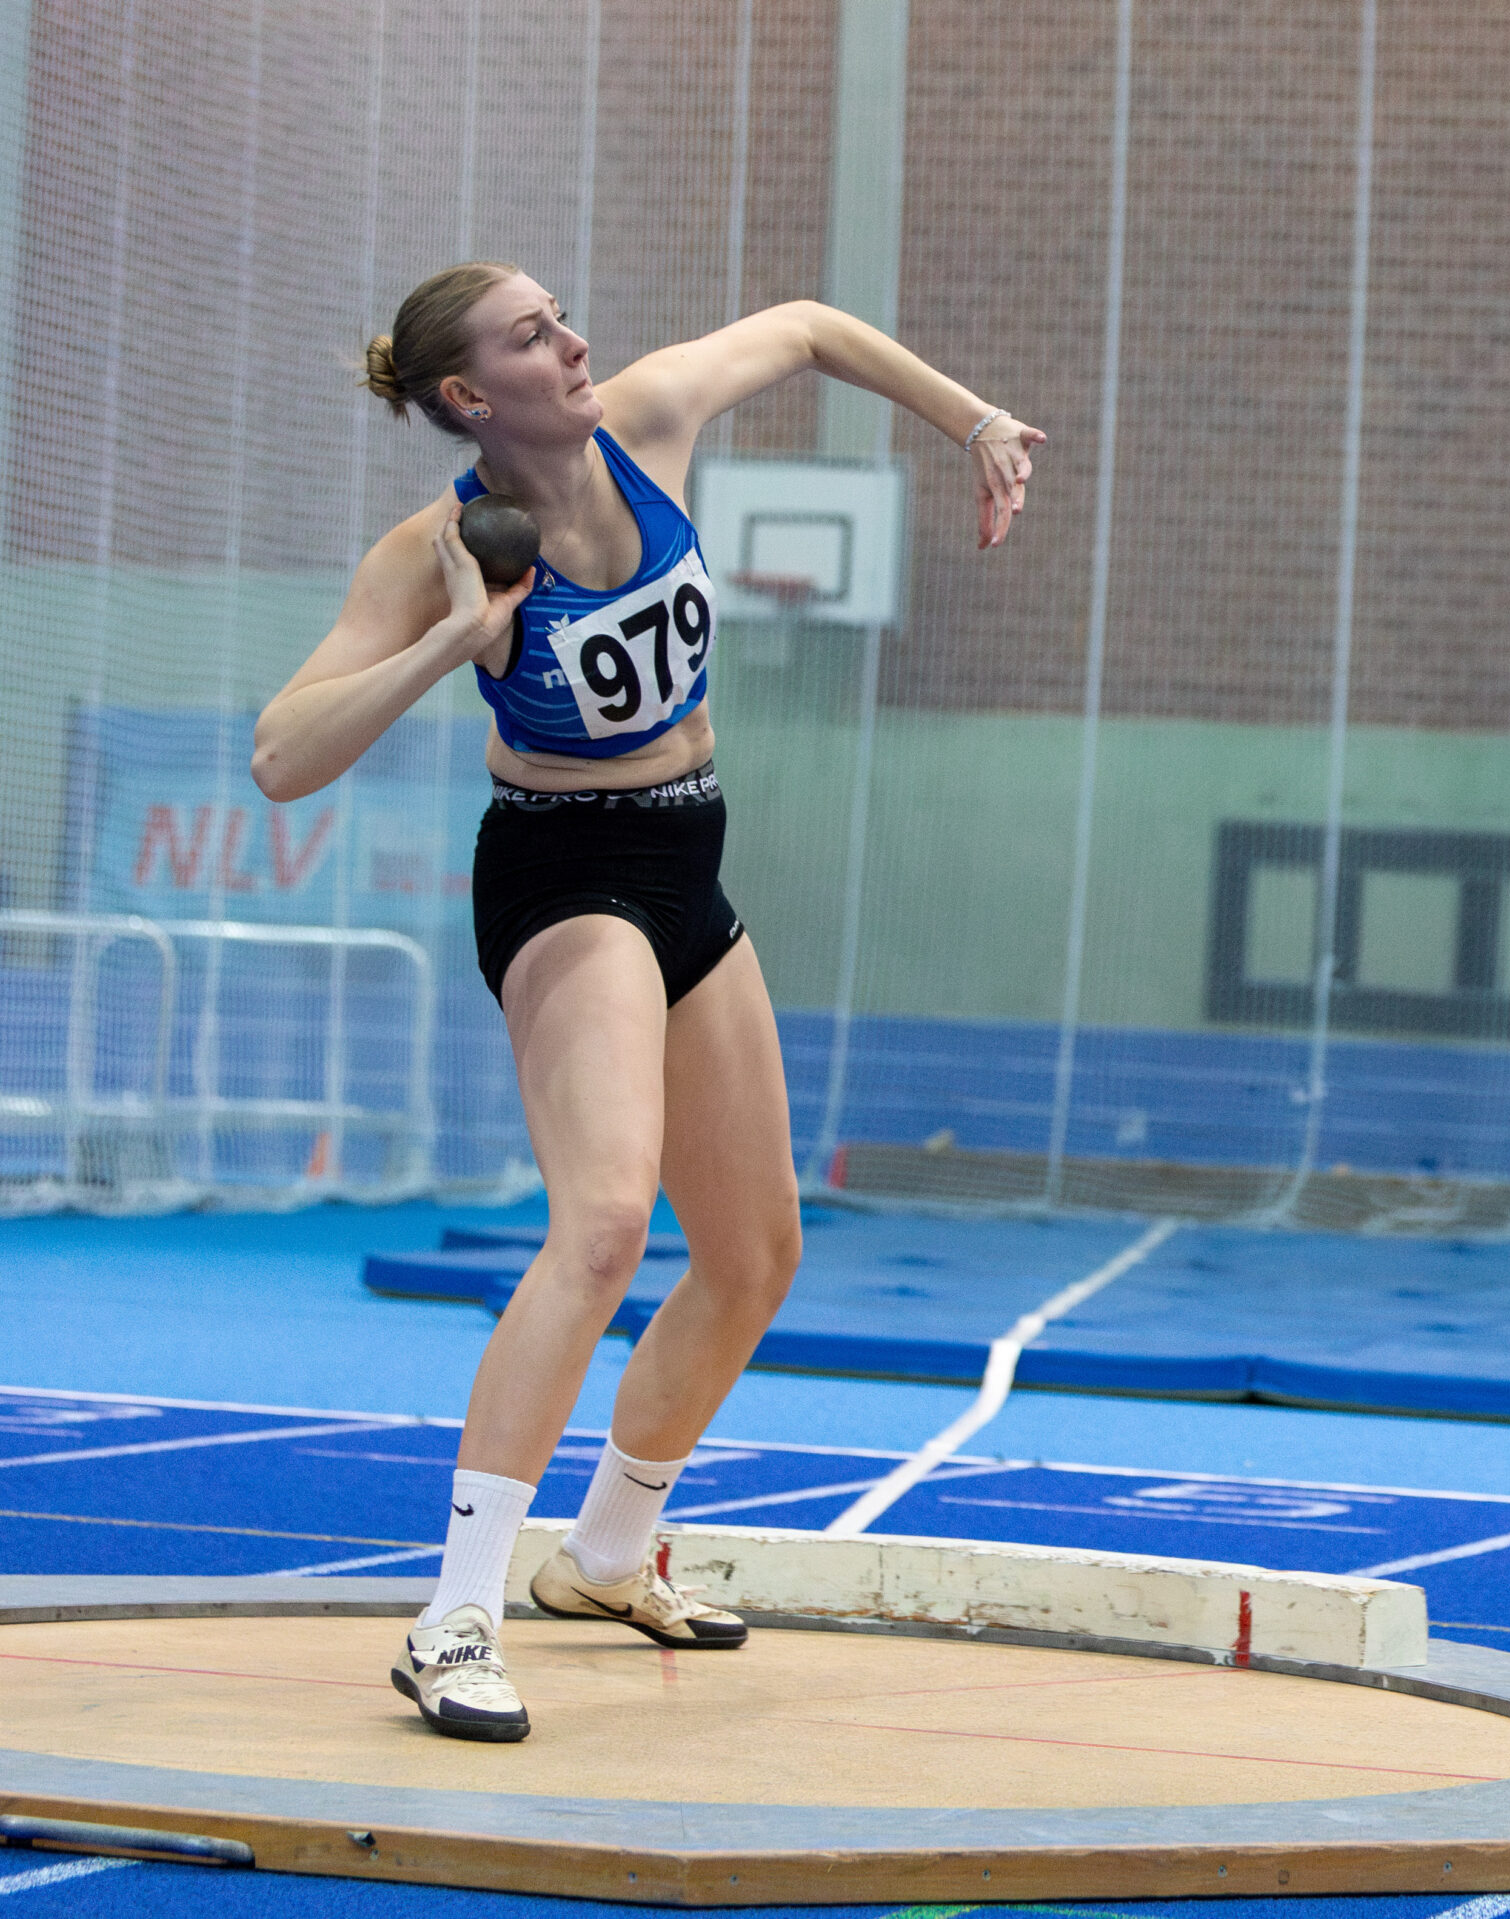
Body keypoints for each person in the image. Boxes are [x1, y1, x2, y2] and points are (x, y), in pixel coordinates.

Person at [252, 263, 1044, 1742]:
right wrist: (445, 642)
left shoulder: (654, 417)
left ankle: (608, 1553)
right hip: (564, 874)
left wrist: (973, 417)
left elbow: (806, 329)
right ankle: (456, 1616)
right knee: (608, 1218)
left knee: (751, 1256)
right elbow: (281, 757)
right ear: (469, 398)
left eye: (561, 314)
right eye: (534, 335)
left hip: (689, 847)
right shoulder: (435, 548)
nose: (575, 338)